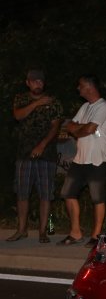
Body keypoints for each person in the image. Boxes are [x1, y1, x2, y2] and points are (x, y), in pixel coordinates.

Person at [7, 69, 64, 243]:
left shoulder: (53, 102)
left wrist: (42, 144)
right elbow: (18, 115)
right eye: (34, 81)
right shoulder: (21, 99)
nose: (37, 83)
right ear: (28, 83)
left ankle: (42, 232)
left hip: (46, 154)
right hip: (24, 154)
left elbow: (55, 127)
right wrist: (37, 103)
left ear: (44, 83)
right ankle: (21, 230)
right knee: (22, 193)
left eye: (40, 81)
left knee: (45, 194)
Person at [58, 74, 106, 248]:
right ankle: (75, 232)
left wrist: (80, 129)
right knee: (68, 193)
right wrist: (81, 129)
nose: (78, 88)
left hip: (97, 160)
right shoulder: (84, 107)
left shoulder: (104, 106)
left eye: (80, 85)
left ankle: (96, 235)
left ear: (89, 86)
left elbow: (88, 129)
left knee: (97, 197)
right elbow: (70, 126)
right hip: (79, 159)